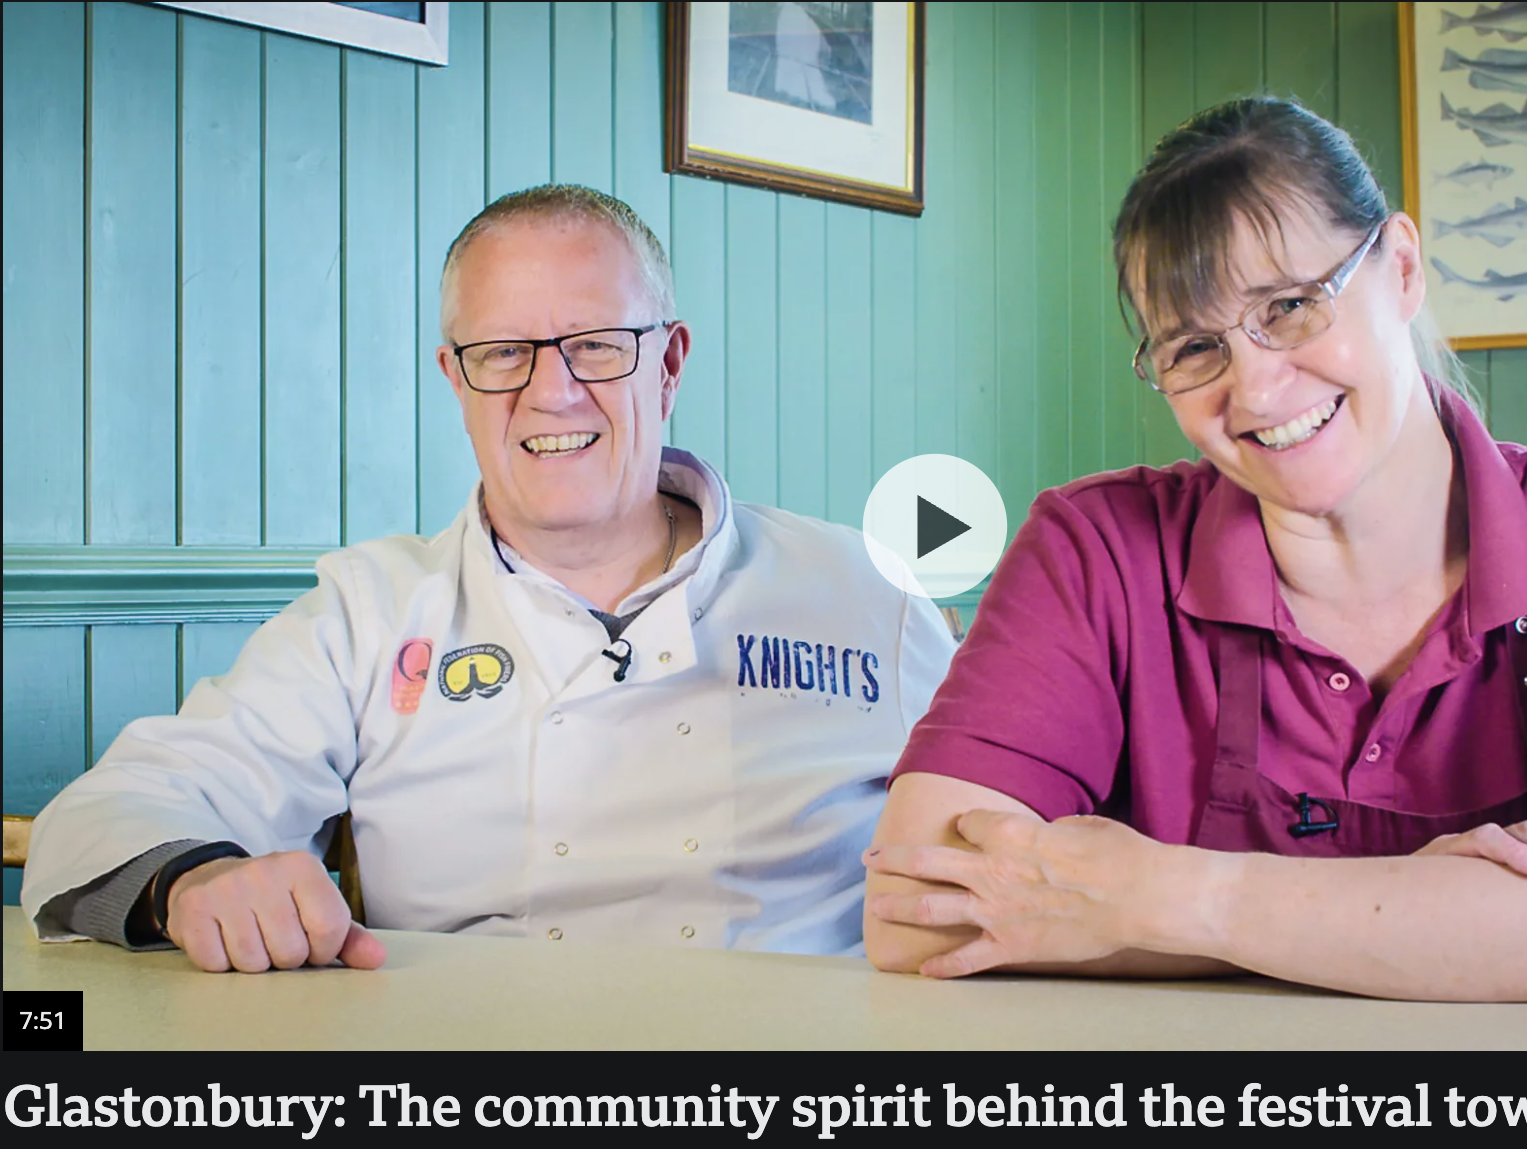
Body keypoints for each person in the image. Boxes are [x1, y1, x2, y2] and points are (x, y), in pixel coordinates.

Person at [862, 98, 1527, 1003]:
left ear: (1400, 267)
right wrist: (1441, 913)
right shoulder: (1091, 548)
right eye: (1195, 346)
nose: (1254, 386)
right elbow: (917, 908)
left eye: (1289, 306)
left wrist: (1144, 896)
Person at [23, 184, 955, 972]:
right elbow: (116, 806)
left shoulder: (867, 593)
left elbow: (1018, 845)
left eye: (597, 343)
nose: (552, 391)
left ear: (668, 363)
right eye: (503, 353)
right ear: (455, 380)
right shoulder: (371, 613)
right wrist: (196, 879)